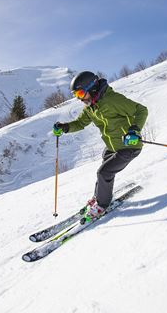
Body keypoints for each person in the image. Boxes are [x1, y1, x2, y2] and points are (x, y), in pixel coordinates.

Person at [53, 71, 148, 222]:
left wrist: (135, 130)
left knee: (104, 172)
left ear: (92, 88)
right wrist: (65, 127)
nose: (79, 98)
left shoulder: (112, 100)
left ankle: (102, 205)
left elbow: (141, 110)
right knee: (104, 170)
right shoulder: (92, 107)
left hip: (129, 146)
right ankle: (99, 196)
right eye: (76, 95)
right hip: (112, 147)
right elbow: (80, 123)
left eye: (80, 93)